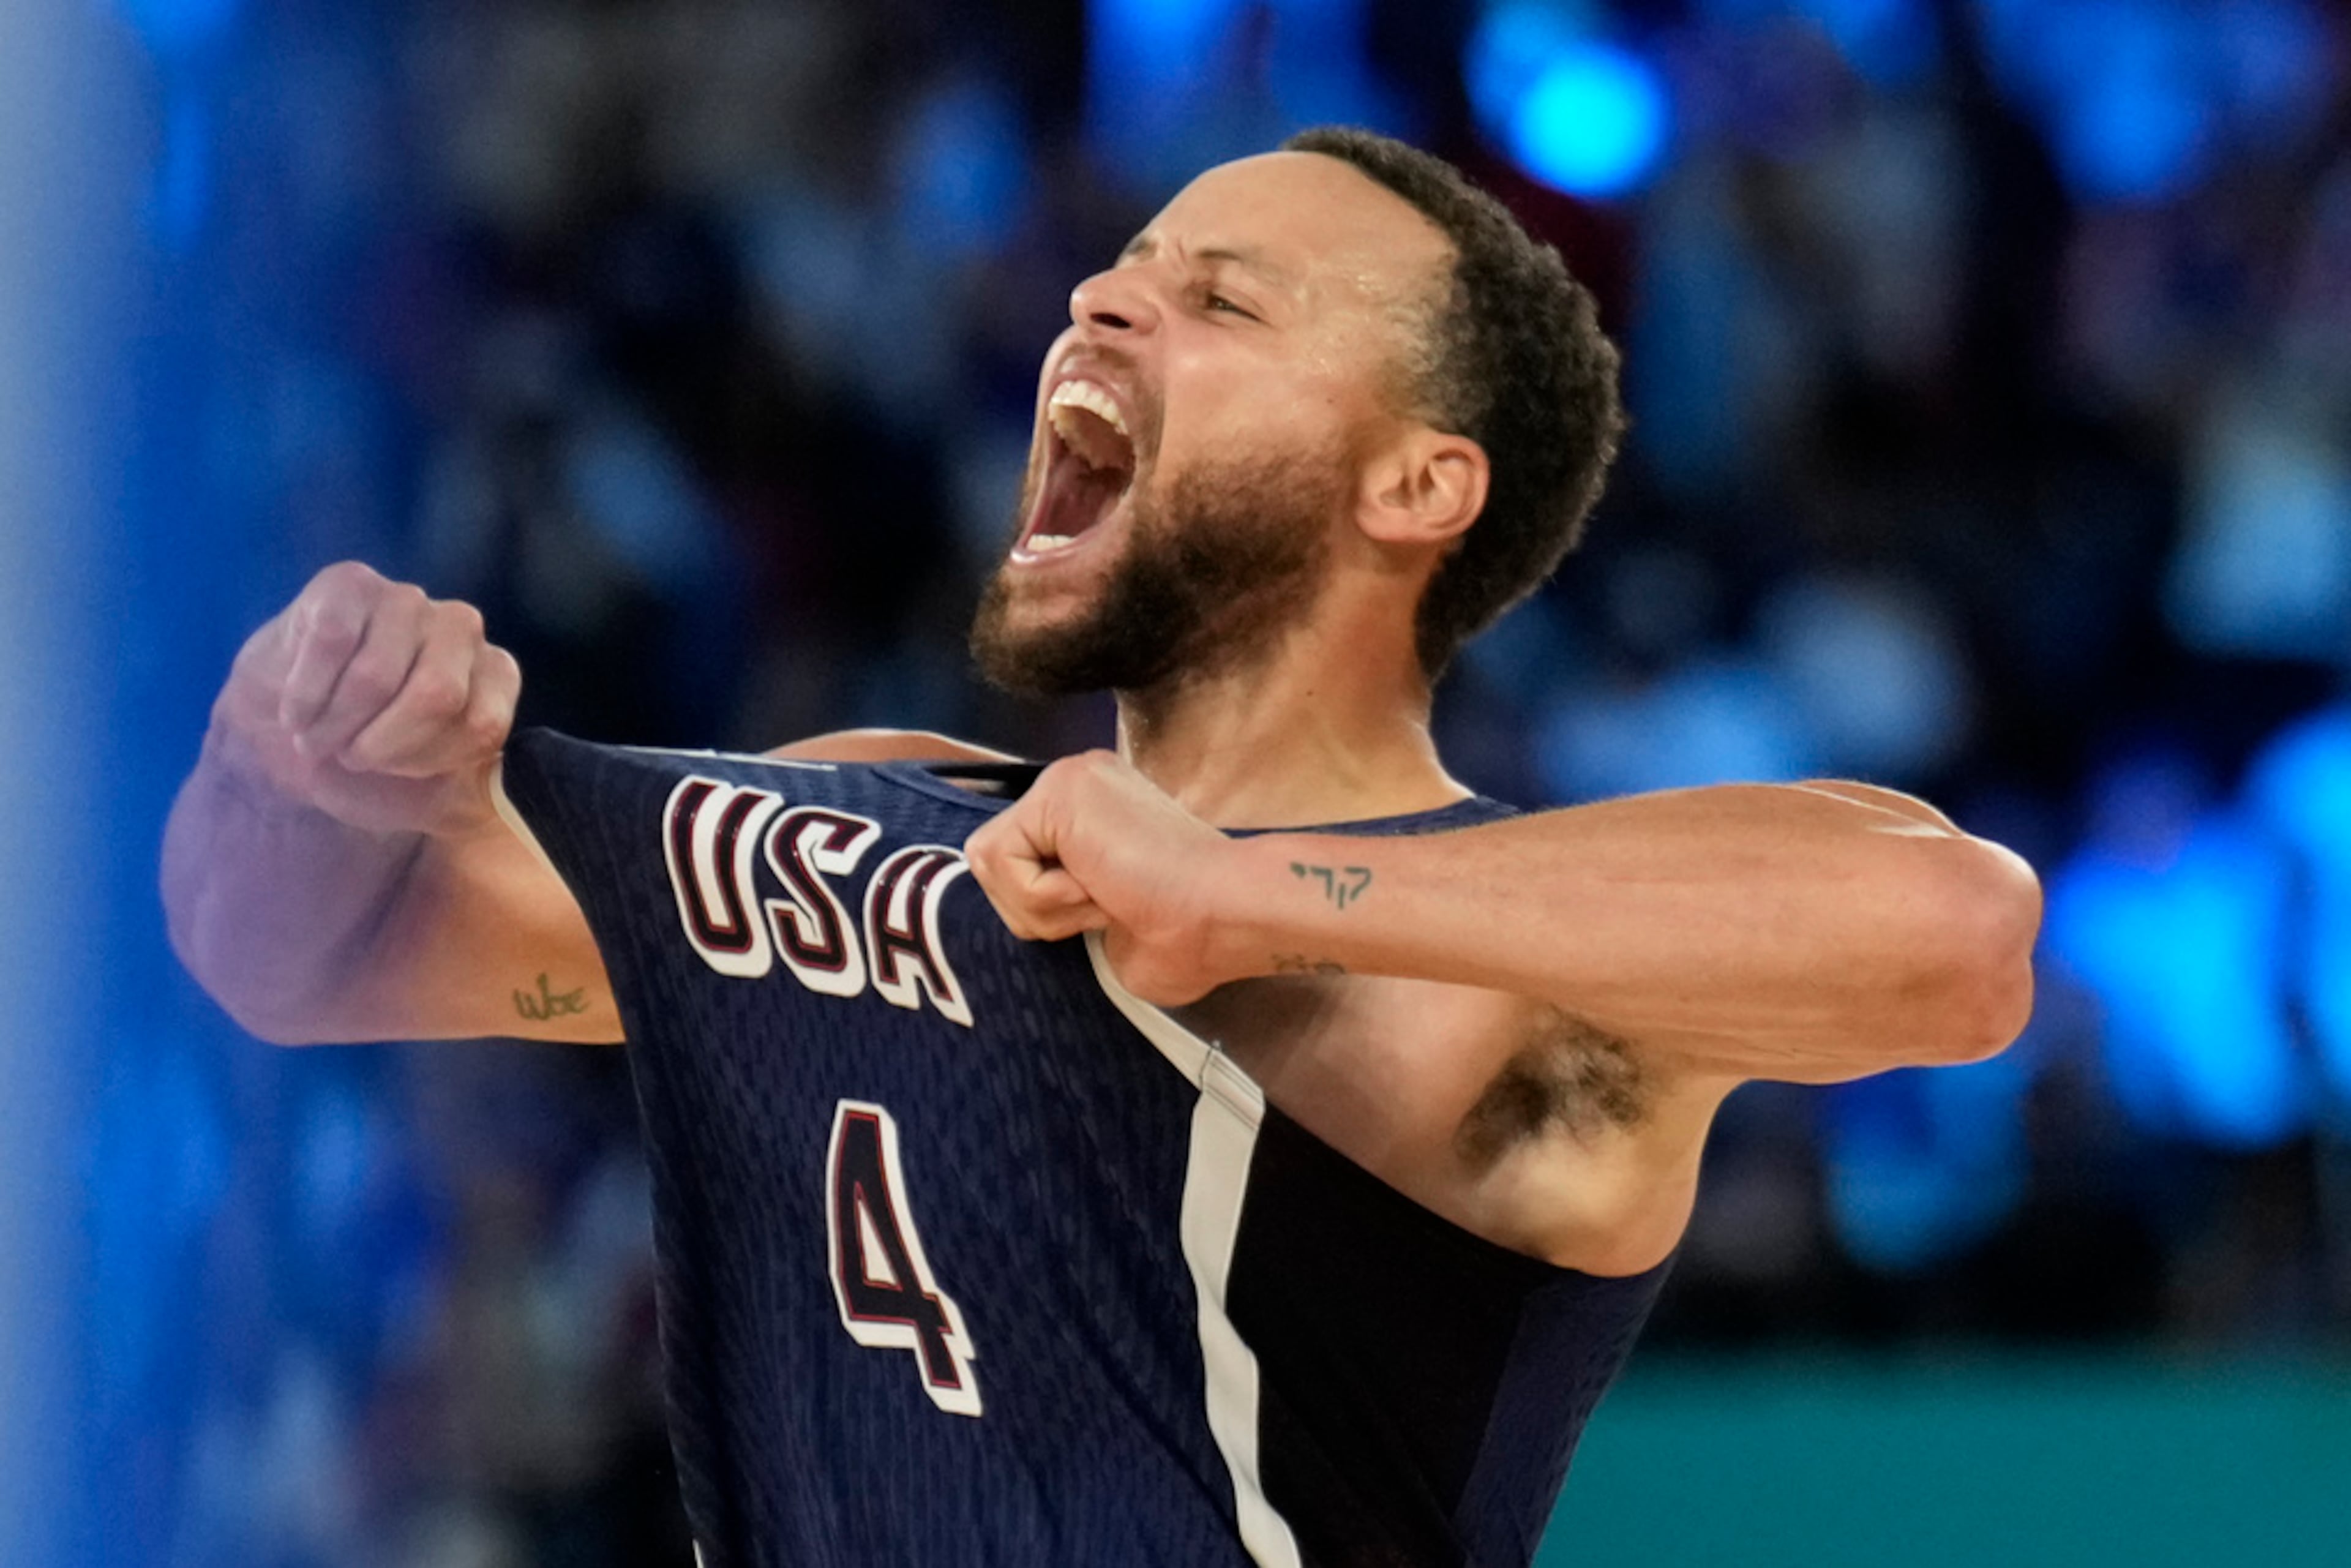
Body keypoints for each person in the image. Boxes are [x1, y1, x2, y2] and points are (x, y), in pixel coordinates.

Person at [163, 128, 2041, 1567]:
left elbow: (1956, 930)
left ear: (1418, 485)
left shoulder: (1497, 988)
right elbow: (290, 954)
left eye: (1224, 302)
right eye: (1120, 273)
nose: (1103, 303)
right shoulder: (877, 817)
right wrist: (288, 764)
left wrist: (1251, 896)